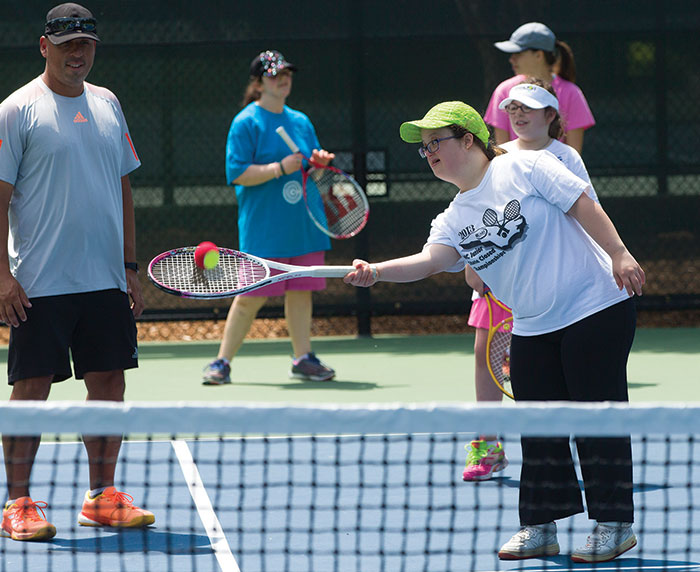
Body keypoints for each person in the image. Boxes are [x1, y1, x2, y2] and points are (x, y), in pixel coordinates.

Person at [343, 101, 644, 563]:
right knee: (537, 428)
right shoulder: (454, 217)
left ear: (469, 140)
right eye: (424, 150)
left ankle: (614, 524)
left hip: (595, 305)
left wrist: (620, 253)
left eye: (435, 143)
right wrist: (377, 271)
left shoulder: (527, 164)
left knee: (594, 419)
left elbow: (582, 203)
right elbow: (430, 261)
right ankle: (541, 527)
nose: (430, 154)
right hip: (532, 325)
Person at [0, 3, 154, 541]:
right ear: (45, 46)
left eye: (84, 43)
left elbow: (123, 187)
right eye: (66, 44)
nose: (76, 53)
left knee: (109, 384)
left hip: (105, 281)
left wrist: (128, 268)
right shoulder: (16, 110)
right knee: (31, 390)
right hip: (39, 283)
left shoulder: (108, 104)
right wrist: (2, 276)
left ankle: (101, 497)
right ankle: (16, 503)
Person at [462, 79, 597, 481]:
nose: (517, 114)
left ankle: (568, 443)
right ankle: (487, 443)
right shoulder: (497, 157)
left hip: (557, 281)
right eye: (512, 108)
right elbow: (477, 213)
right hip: (502, 274)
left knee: (562, 365)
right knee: (484, 347)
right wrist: (475, 261)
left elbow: (585, 213)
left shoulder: (566, 157)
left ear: (550, 115)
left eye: (528, 107)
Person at [202, 50, 336, 385]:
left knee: (301, 293)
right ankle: (221, 362)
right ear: (259, 81)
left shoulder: (301, 121)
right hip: (264, 227)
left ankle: (303, 358)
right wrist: (279, 168)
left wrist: (318, 164)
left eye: (287, 73)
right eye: (275, 74)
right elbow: (237, 173)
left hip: (304, 223)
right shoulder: (246, 122)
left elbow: (312, 171)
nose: (283, 78)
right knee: (251, 296)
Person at [484, 22, 595, 153]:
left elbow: (574, 155)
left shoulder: (572, 93)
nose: (511, 59)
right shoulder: (503, 91)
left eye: (518, 53)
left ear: (539, 55)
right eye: (513, 108)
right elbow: (502, 154)